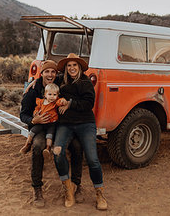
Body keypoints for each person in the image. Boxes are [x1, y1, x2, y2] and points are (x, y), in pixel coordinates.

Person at [19, 60, 84, 208]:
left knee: (77, 145)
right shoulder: (33, 91)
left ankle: (77, 185)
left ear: (57, 74)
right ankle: (37, 188)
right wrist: (34, 120)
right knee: (38, 146)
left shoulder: (60, 83)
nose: (50, 74)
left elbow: (78, 77)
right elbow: (23, 115)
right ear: (41, 73)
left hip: (60, 127)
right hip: (41, 128)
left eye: (53, 72)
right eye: (47, 72)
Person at [53, 53, 108, 210]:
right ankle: (68, 190)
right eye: (69, 65)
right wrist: (33, 85)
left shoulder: (85, 82)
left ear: (79, 67)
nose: (71, 68)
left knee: (92, 159)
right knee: (57, 153)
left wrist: (69, 103)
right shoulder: (60, 80)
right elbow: (45, 83)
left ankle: (100, 194)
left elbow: (88, 103)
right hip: (66, 124)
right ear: (65, 68)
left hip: (85, 123)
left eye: (74, 65)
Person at [19, 83, 67, 157]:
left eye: (54, 95)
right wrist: (35, 113)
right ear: (45, 94)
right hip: (41, 123)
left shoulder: (55, 103)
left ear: (57, 95)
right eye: (50, 94)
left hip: (51, 124)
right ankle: (27, 145)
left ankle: (48, 148)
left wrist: (63, 100)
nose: (52, 97)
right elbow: (37, 108)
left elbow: (60, 102)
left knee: (49, 135)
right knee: (32, 131)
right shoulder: (41, 102)